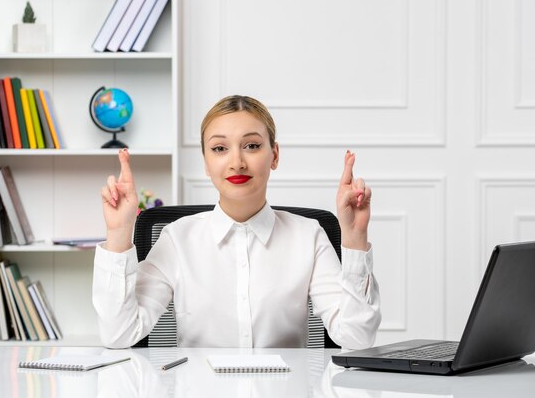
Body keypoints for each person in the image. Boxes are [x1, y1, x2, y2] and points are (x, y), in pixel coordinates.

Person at [92, 95, 380, 349]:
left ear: (274, 155)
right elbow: (119, 335)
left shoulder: (308, 235)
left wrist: (355, 238)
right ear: (205, 162)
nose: (237, 162)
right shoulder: (176, 238)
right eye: (219, 149)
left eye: (252, 145)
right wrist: (118, 233)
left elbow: (356, 337)